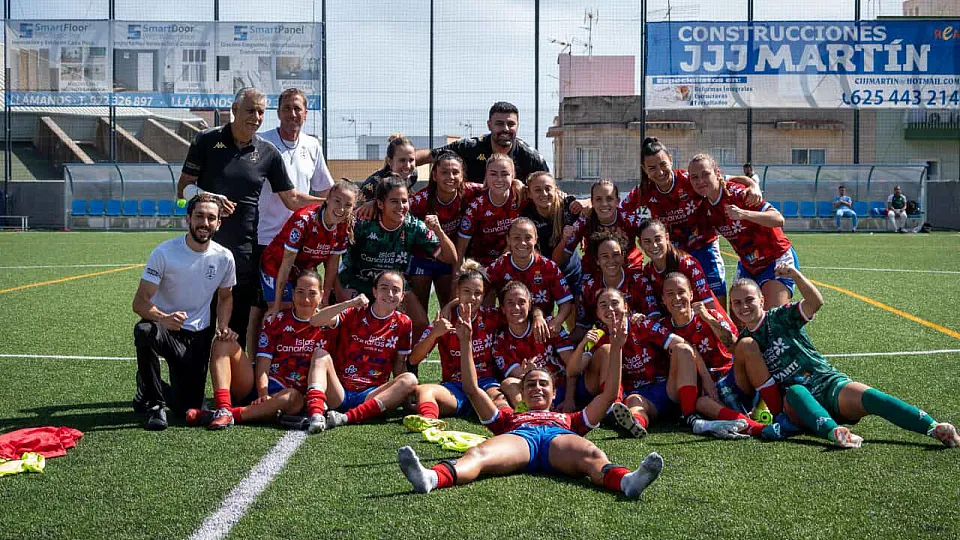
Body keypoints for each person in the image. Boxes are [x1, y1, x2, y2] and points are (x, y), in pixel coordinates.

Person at [396, 301, 665, 498]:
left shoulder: (569, 418)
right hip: (520, 439)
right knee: (477, 454)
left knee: (592, 454)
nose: (537, 388)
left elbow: (608, 396)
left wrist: (616, 348)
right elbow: (471, 387)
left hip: (558, 439)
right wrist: (466, 342)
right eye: (531, 384)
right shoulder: (508, 418)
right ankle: (431, 477)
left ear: (554, 392)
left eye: (543, 384)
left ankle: (627, 481)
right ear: (521, 394)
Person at [729, 266, 959, 449]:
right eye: (737, 303)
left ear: (761, 299)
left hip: (828, 383)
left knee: (872, 397)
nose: (744, 306)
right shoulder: (746, 343)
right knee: (796, 391)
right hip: (797, 403)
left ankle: (934, 428)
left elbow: (815, 302)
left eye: (749, 299)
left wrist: (796, 276)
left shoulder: (780, 316)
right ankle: (835, 433)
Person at [176, 87, 322, 349]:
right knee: (198, 325)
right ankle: (191, 384)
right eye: (250, 110)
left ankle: (235, 389)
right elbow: (183, 190)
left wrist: (333, 204)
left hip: (243, 252)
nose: (256, 117)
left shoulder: (267, 152)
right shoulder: (206, 141)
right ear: (234, 110)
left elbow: (292, 198)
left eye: (260, 112)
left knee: (237, 326)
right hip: (202, 248)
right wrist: (210, 197)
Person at [187, 270, 350, 430]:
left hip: (294, 396)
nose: (306, 299)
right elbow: (263, 361)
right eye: (300, 292)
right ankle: (223, 406)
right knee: (223, 342)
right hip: (260, 387)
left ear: (321, 295)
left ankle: (226, 415)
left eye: (312, 293)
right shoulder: (276, 320)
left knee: (291, 398)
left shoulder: (331, 325)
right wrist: (263, 393)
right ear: (292, 294)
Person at [132, 194, 236, 430]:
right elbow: (139, 303)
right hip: (165, 329)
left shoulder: (224, 257)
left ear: (219, 223)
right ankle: (155, 406)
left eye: (211, 218)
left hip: (198, 335)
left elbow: (226, 296)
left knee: (186, 408)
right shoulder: (164, 253)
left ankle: (148, 383)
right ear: (188, 218)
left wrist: (224, 325)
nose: (204, 223)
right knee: (144, 330)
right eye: (199, 216)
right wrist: (163, 318)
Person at [621, 138, 762, 308]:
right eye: (652, 168)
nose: (659, 172)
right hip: (673, 254)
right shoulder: (643, 191)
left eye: (663, 164)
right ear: (645, 170)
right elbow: (619, 209)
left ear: (671, 160)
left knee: (716, 303)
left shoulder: (690, 179)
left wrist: (753, 185)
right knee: (680, 301)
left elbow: (725, 179)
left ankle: (723, 333)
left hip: (705, 247)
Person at [249, 87, 335, 355]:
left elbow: (325, 189)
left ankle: (293, 363)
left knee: (302, 305)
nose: (292, 114)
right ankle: (256, 366)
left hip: (303, 244)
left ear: (306, 114)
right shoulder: (261, 143)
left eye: (298, 108)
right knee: (261, 307)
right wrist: (333, 206)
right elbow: (293, 199)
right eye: (286, 108)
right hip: (266, 239)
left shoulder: (312, 145)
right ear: (278, 113)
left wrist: (338, 204)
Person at [338, 174, 457, 349]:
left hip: (393, 286)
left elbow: (450, 258)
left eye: (404, 201)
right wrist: (340, 293)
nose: (401, 207)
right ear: (380, 204)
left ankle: (408, 365)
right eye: (394, 201)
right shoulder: (362, 223)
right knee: (350, 324)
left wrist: (438, 231)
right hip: (358, 283)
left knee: (420, 323)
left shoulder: (413, 226)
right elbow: (335, 258)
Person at [660, 273, 778, 440]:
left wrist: (707, 318)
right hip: (699, 390)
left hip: (730, 378)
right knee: (702, 403)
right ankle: (756, 428)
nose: (677, 298)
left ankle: (772, 410)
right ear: (663, 299)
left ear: (691, 294)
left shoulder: (711, 315)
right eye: (670, 294)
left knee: (747, 345)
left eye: (681, 292)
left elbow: (733, 345)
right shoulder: (662, 327)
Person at [301, 271, 420, 431]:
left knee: (410, 379)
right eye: (384, 288)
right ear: (374, 291)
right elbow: (315, 320)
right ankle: (316, 415)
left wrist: (404, 397)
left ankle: (345, 418)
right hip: (339, 391)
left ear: (402, 296)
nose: (390, 294)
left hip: (370, 395)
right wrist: (349, 303)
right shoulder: (355, 312)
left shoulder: (404, 323)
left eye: (396, 290)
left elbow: (399, 365)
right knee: (320, 354)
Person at [688, 153, 797, 315]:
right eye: (694, 177)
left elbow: (778, 219)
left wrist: (744, 214)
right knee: (740, 324)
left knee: (773, 322)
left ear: (717, 173)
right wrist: (751, 181)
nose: (700, 181)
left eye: (705, 174)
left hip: (775, 259)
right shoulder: (703, 203)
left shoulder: (737, 194)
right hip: (748, 266)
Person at [405, 261, 508, 428]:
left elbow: (520, 315)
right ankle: (430, 423)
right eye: (467, 291)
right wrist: (434, 334)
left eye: (478, 293)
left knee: (500, 398)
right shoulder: (444, 320)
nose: (473, 298)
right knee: (424, 391)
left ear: (483, 296)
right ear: (458, 291)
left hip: (485, 384)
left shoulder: (491, 317)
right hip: (454, 388)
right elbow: (414, 358)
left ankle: (513, 422)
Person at [259, 181, 358, 319]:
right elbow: (286, 264)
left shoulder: (343, 226)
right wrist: (276, 305)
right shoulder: (304, 220)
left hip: (304, 270)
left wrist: (325, 299)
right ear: (327, 199)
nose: (341, 209)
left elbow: (332, 266)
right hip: (276, 266)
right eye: (337, 201)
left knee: (308, 312)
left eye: (348, 205)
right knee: (282, 314)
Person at [406, 152, 484, 311]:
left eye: (455, 172)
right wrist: (372, 202)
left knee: (449, 305)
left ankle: (448, 335)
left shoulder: (469, 191)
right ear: (434, 175)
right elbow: (396, 206)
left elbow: (494, 186)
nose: (450, 176)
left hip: (449, 258)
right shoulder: (421, 200)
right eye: (444, 172)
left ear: (462, 176)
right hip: (422, 257)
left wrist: (516, 183)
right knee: (419, 311)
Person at [493, 282, 576, 412]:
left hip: (560, 387)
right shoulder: (500, 343)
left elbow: (573, 367)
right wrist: (527, 373)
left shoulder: (550, 326)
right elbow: (520, 376)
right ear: (502, 308)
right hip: (532, 391)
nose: (516, 307)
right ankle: (528, 414)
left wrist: (569, 399)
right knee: (508, 383)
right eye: (510, 303)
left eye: (521, 302)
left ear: (530, 304)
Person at [416, 101, 548, 183]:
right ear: (489, 125)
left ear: (517, 125)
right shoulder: (469, 147)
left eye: (511, 124)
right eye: (499, 124)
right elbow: (430, 155)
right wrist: (399, 166)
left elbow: (551, 187)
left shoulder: (530, 157)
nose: (505, 129)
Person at [485, 218, 574, 331]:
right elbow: (478, 288)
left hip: (542, 327)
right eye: (517, 238)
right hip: (508, 329)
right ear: (508, 239)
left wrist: (557, 321)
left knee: (566, 346)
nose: (522, 243)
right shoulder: (499, 266)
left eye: (528, 238)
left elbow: (566, 301)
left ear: (536, 239)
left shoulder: (548, 267)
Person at [554, 179, 644, 279]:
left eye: (609, 199)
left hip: (629, 270)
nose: (604, 204)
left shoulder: (629, 219)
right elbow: (558, 259)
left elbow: (651, 234)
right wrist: (564, 240)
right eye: (598, 199)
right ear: (592, 202)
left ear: (617, 201)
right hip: (594, 274)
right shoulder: (584, 221)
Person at [636, 219, 722, 320]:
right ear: (640, 244)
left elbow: (710, 306)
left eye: (658, 239)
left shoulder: (688, 264)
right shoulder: (647, 271)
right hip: (676, 327)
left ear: (667, 238)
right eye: (647, 241)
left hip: (703, 324)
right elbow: (655, 313)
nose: (654, 245)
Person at [456, 154, 526, 267]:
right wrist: (457, 276)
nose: (499, 179)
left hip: (514, 262)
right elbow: (461, 247)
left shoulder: (520, 196)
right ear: (486, 176)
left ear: (513, 176)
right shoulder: (476, 206)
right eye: (493, 174)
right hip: (481, 265)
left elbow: (543, 192)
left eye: (505, 174)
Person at [521, 171, 583, 293]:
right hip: (542, 272)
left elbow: (594, 204)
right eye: (537, 190)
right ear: (529, 194)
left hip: (571, 271)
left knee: (574, 309)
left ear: (556, 189)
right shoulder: (526, 216)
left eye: (548, 188)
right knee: (539, 310)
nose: (544, 194)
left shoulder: (567, 206)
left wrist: (584, 202)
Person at [574, 231, 644, 339]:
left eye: (616, 255)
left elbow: (654, 317)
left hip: (638, 340)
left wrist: (642, 319)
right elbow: (582, 326)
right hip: (606, 344)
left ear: (623, 256)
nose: (611, 261)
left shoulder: (638, 281)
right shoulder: (588, 288)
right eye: (605, 256)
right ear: (597, 260)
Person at [359, 135, 419, 202]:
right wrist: (373, 203)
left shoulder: (412, 175)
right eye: (402, 160)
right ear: (390, 161)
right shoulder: (373, 185)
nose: (408, 166)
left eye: (411, 160)